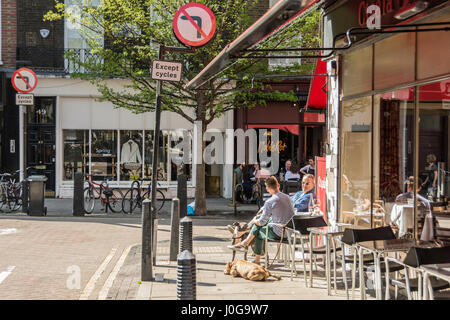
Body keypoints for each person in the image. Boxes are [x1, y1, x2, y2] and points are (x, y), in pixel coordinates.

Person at [227, 176, 295, 265]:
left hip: (279, 233)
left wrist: (255, 220)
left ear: (267, 188)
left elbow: (261, 222)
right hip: (290, 231)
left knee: (258, 230)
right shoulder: (287, 197)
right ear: (278, 185)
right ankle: (246, 237)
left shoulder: (269, 202)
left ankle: (250, 247)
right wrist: (262, 212)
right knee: (260, 221)